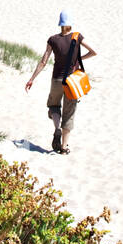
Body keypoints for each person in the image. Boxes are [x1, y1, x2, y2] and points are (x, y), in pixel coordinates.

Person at [25, 11, 96, 154]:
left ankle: (56, 128)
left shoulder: (52, 39)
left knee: (53, 105)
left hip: (56, 80)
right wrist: (79, 59)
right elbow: (93, 52)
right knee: (69, 113)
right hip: (72, 82)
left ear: (60, 23)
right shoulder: (77, 37)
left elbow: (43, 61)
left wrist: (31, 79)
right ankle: (64, 148)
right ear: (70, 23)